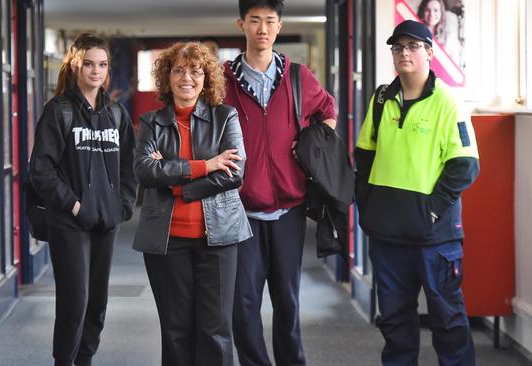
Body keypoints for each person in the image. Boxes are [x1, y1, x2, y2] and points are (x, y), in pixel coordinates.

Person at [354, 20, 479, 365]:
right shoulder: (381, 99)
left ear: (429, 52)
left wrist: (433, 210)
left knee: (448, 321)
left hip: (434, 239)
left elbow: (465, 165)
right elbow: (363, 158)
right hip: (387, 237)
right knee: (394, 323)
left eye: (413, 46)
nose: (404, 53)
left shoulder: (448, 103)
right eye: (398, 48)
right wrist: (369, 205)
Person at [223, 1, 337, 365]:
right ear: (242, 24)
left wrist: (310, 143)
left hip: (289, 208)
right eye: (254, 20)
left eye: (270, 21)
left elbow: (328, 113)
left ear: (279, 26)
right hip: (241, 210)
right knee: (243, 303)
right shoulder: (222, 80)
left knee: (287, 301)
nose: (262, 28)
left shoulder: (299, 77)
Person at [133, 41, 251, 366]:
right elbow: (145, 171)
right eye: (179, 70)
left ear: (206, 77)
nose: (187, 77)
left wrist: (177, 187)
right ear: (167, 77)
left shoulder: (225, 117)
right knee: (175, 331)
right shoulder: (151, 123)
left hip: (220, 239)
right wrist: (206, 165)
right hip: (167, 241)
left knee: (216, 331)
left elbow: (235, 174)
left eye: (195, 70)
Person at [29, 33, 137, 366]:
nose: (95, 71)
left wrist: (122, 207)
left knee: (97, 305)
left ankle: (85, 360)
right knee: (75, 303)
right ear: (75, 65)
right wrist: (75, 205)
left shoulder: (116, 114)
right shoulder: (58, 111)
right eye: (89, 64)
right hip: (69, 222)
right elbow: (41, 170)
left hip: (107, 222)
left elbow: (128, 166)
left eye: (102, 65)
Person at [417, 0, 461, 65]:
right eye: (427, 10)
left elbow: (454, 60)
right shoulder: (416, 33)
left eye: (435, 10)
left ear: (441, 12)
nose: (431, 14)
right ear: (422, 12)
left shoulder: (448, 35)